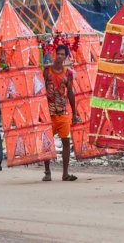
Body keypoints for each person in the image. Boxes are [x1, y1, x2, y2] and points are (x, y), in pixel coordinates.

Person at [43, 45, 81, 181]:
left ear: (66, 57)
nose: (59, 56)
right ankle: (47, 172)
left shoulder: (68, 73)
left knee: (66, 141)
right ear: (54, 54)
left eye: (62, 55)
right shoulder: (46, 71)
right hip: (48, 113)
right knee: (47, 143)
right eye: (58, 54)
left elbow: (70, 92)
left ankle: (65, 173)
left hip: (63, 113)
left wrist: (75, 113)